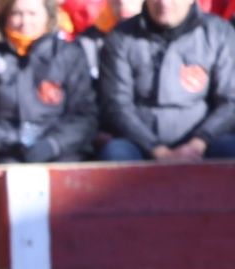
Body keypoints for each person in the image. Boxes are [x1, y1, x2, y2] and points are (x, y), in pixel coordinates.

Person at [97, 0, 235, 161]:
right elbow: (116, 105)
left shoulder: (219, 33)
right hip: (140, 145)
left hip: (205, 142)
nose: (163, 3)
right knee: (115, 153)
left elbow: (230, 101)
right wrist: (158, 151)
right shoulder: (122, 37)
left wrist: (199, 143)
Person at [0, 0, 97, 163]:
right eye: (17, 14)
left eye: (32, 14)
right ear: (5, 16)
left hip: (59, 152)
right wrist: (10, 144)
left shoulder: (69, 55)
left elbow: (84, 115)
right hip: (3, 153)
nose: (25, 22)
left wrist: (52, 144)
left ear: (48, 17)